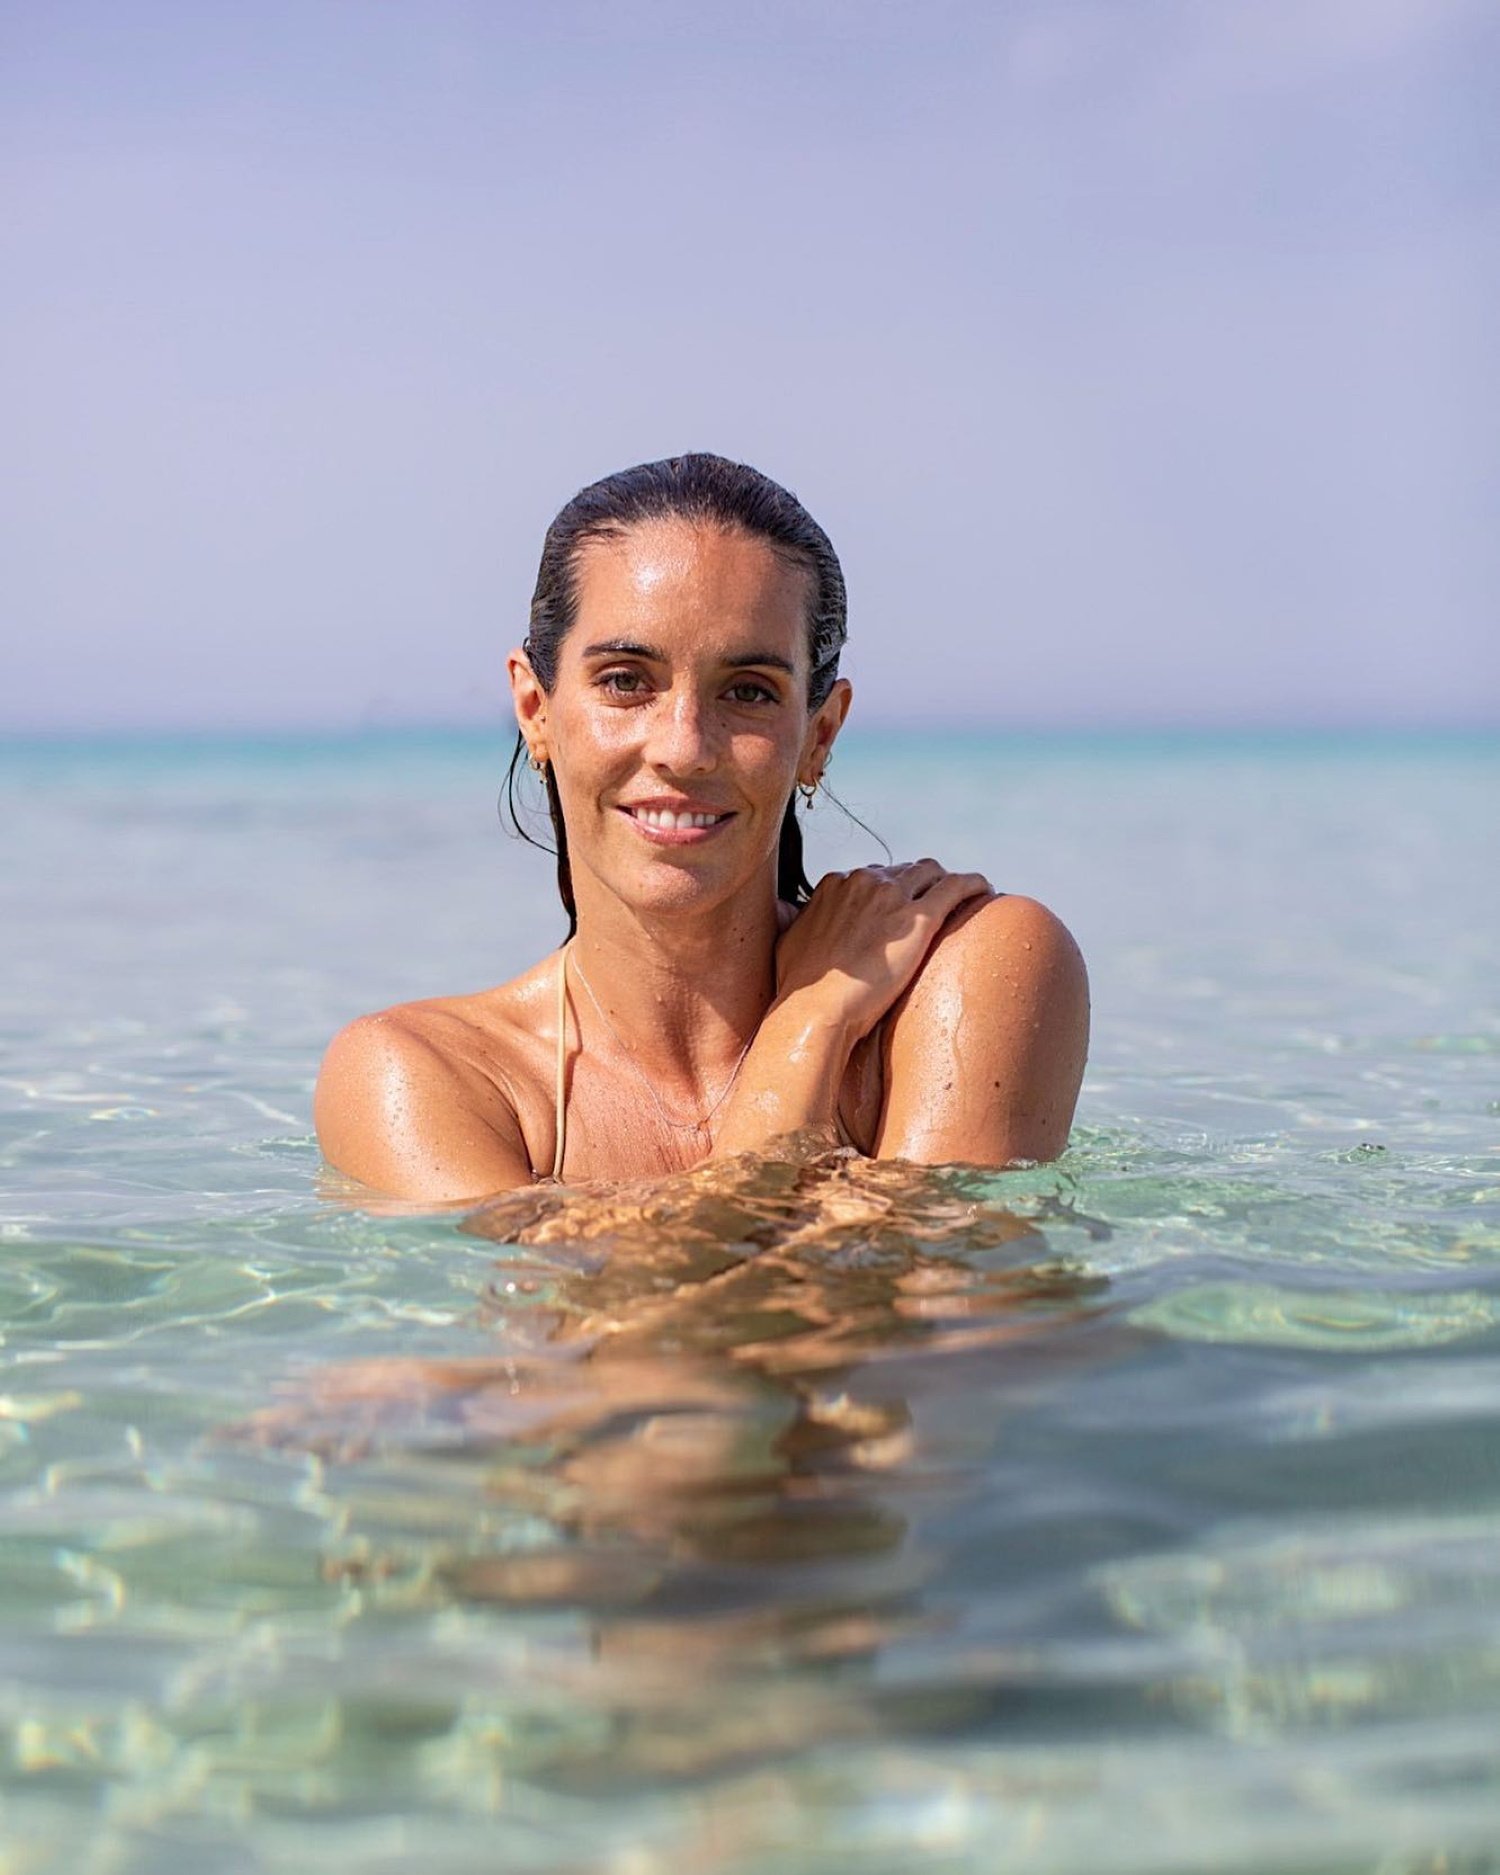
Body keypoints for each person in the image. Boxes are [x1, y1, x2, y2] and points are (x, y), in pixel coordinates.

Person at [315, 453, 1089, 1201]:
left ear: (820, 733)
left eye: (748, 691)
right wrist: (809, 1021)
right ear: (534, 710)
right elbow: (674, 1327)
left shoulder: (961, 972)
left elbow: (958, 1325)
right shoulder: (423, 1077)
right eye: (625, 681)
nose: (684, 746)